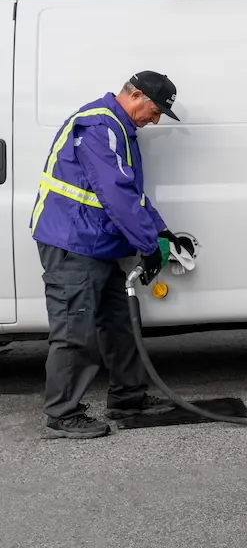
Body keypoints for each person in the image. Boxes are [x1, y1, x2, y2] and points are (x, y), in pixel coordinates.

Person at [30, 71, 188, 439]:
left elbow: (131, 193)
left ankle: (128, 397)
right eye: (155, 110)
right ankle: (62, 414)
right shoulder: (100, 126)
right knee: (76, 331)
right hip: (73, 243)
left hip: (98, 243)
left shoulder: (119, 128)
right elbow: (115, 193)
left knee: (120, 322)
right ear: (135, 96)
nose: (156, 119)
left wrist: (161, 231)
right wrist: (148, 247)